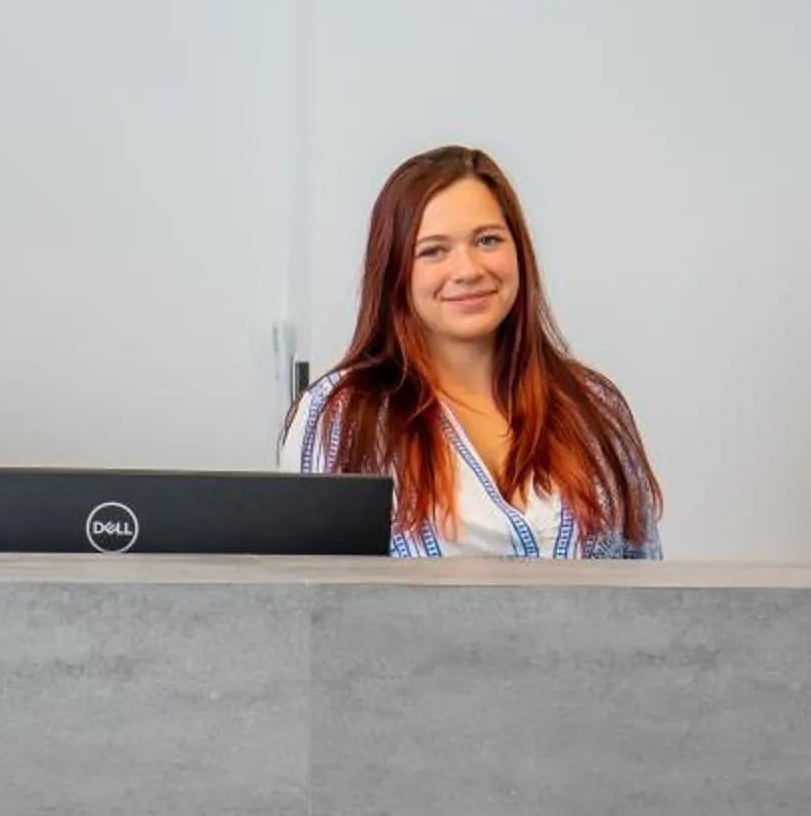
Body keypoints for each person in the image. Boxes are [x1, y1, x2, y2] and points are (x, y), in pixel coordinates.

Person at [278, 146, 660, 558]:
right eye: (433, 250)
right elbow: (312, 606)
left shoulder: (595, 407)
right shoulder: (339, 416)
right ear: (394, 271)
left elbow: (645, 591)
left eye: (488, 240)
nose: (469, 270)